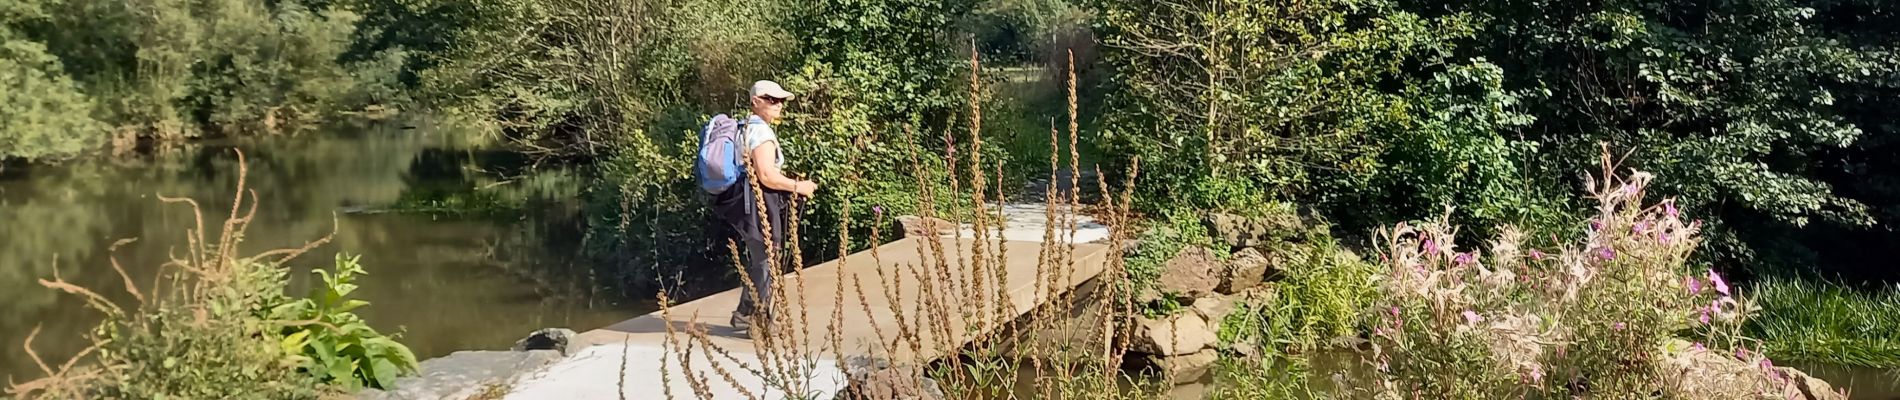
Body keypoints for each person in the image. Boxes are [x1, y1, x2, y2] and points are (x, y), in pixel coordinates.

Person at [710, 80, 817, 336]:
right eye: (772, 99)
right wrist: (800, 186)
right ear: (756, 101)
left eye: (781, 100)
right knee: (768, 259)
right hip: (758, 202)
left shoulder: (744, 127)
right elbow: (767, 176)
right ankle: (758, 322)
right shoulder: (760, 132)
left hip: (745, 201)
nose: (778, 105)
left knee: (761, 259)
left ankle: (744, 315)